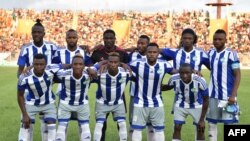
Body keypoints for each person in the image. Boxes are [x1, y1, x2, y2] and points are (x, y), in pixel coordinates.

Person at [17, 19, 58, 141]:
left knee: (47, 123)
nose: (36, 34)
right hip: (30, 88)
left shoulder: (52, 46)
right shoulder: (26, 48)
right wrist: (23, 80)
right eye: (34, 32)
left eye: (39, 32)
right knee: (27, 124)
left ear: (44, 33)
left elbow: (59, 62)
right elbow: (20, 70)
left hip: (47, 87)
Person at [129, 43, 176, 141]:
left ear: (158, 53)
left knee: (159, 130)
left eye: (154, 52)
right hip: (140, 102)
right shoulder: (136, 63)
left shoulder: (164, 64)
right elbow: (123, 66)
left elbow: (178, 72)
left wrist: (193, 72)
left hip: (157, 103)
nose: (152, 54)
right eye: (149, 52)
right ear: (146, 53)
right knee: (137, 129)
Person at [161, 28, 210, 115]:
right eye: (185, 38)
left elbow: (212, 67)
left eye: (190, 38)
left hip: (197, 92)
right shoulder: (175, 52)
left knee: (198, 124)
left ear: (194, 39)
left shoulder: (201, 53)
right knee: (176, 124)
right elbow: (156, 50)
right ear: (181, 39)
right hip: (180, 92)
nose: (187, 40)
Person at [90, 29, 128, 141]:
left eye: (111, 38)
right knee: (102, 123)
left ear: (115, 39)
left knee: (120, 122)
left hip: (119, 93)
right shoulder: (97, 53)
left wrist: (121, 63)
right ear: (103, 39)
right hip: (103, 93)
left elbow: (127, 66)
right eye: (106, 38)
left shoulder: (122, 53)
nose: (109, 40)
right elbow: (90, 66)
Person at [206, 29, 241, 141]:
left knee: (230, 125)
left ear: (225, 40)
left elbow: (238, 75)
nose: (217, 41)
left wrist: (233, 95)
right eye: (215, 39)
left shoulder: (231, 54)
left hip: (228, 96)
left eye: (220, 39)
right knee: (211, 123)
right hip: (213, 95)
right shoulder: (210, 53)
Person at [17, 54, 61, 141]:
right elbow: (20, 95)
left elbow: (67, 66)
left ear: (45, 64)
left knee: (51, 127)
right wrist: (25, 115)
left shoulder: (51, 68)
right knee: (25, 129)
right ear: (32, 64)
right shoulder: (24, 77)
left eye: (41, 64)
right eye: (36, 64)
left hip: (49, 103)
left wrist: (88, 69)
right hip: (31, 104)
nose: (39, 67)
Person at [162, 63, 209, 141]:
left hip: (197, 105)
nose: (184, 75)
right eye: (182, 73)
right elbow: (168, 86)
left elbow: (206, 99)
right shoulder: (173, 78)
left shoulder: (200, 80)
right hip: (181, 104)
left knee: (200, 128)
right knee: (177, 127)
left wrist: (202, 120)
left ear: (192, 72)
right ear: (179, 72)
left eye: (187, 73)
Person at [55, 54, 96, 141]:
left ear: (84, 65)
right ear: (71, 65)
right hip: (65, 104)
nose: (78, 66)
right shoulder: (63, 74)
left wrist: (88, 69)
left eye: (80, 64)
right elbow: (49, 69)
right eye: (75, 64)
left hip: (82, 105)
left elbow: (100, 64)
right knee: (61, 129)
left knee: (85, 128)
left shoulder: (89, 74)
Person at [128, 35, 155, 141]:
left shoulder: (154, 56)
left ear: (148, 45)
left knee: (151, 123)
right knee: (133, 121)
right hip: (135, 94)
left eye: (142, 43)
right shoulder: (132, 55)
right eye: (138, 43)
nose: (139, 45)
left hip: (150, 95)